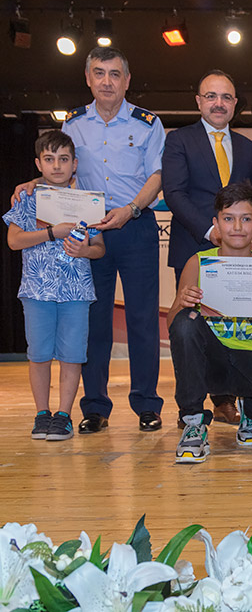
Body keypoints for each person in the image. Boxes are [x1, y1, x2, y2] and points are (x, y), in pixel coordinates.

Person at [10, 47, 165, 433]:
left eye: (115, 74)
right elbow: (57, 166)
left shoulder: (148, 123)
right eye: (99, 73)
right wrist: (33, 183)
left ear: (127, 81)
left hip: (135, 224)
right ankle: (94, 407)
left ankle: (147, 405)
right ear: (88, 79)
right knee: (93, 320)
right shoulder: (74, 123)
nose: (107, 81)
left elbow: (158, 176)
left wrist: (131, 209)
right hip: (87, 229)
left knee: (143, 320)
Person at [167, 183, 252, 464]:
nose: (237, 227)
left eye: (246, 218)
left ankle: (251, 410)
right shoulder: (198, 262)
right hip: (211, 361)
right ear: (216, 224)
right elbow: (174, 326)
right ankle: (193, 422)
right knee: (185, 321)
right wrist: (183, 301)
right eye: (229, 219)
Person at [163, 69, 252, 427]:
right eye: (211, 96)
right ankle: (190, 404)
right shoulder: (178, 140)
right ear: (199, 101)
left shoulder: (248, 148)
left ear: (235, 104)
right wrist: (210, 230)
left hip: (235, 252)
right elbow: (174, 193)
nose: (219, 103)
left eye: (226, 97)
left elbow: (251, 201)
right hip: (193, 245)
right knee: (189, 323)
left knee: (230, 320)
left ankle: (224, 401)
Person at [3, 132, 105, 441]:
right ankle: (41, 414)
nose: (56, 166)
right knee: (39, 354)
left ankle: (63, 415)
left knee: (73, 355)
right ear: (38, 163)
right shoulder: (27, 197)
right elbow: (13, 240)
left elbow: (99, 247)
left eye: (63, 159)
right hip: (37, 290)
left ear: (74, 164)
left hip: (77, 291)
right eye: (49, 159)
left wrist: (84, 250)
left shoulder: (88, 200)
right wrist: (52, 234)